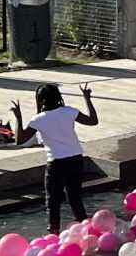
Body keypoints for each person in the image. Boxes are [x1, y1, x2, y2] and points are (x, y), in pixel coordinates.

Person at [14, 82, 100, 230]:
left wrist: (18, 117)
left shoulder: (38, 119)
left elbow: (19, 140)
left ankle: (54, 231)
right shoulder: (69, 111)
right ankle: (85, 228)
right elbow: (93, 121)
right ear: (58, 97)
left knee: (52, 200)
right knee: (75, 198)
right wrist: (87, 98)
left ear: (40, 100)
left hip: (56, 162)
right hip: (75, 158)